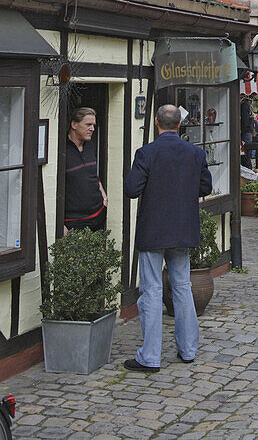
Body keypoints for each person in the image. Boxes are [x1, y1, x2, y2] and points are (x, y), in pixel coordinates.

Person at [122, 104, 212, 372]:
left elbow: (131, 189)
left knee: (151, 290)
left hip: (153, 230)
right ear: (179, 125)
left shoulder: (147, 153)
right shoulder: (195, 153)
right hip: (183, 229)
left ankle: (149, 357)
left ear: (156, 123)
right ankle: (187, 349)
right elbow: (205, 186)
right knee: (182, 288)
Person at [64, 107, 108, 233]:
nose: (92, 129)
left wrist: (104, 198)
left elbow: (93, 175)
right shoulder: (62, 149)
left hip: (97, 216)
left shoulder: (90, 145)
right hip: (72, 221)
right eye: (88, 125)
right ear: (74, 124)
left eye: (93, 125)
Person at [240, 93, 254, 165]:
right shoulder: (249, 106)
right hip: (249, 131)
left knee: (245, 153)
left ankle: (247, 168)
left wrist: (240, 130)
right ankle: (248, 167)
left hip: (245, 132)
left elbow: (245, 120)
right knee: (247, 153)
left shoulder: (244, 106)